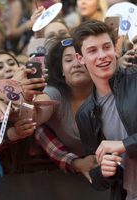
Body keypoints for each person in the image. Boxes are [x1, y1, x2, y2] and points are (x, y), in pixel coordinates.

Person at [72, 19, 137, 200]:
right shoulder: (85, 114)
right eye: (92, 50)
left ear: (114, 49)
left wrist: (125, 144)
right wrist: (105, 171)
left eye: (106, 47)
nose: (102, 55)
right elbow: (97, 178)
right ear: (80, 58)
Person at [21, 36, 97, 179]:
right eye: (68, 60)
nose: (76, 64)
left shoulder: (109, 89)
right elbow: (33, 119)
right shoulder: (54, 93)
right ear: (61, 70)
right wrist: (28, 98)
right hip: (67, 178)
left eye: (81, 57)